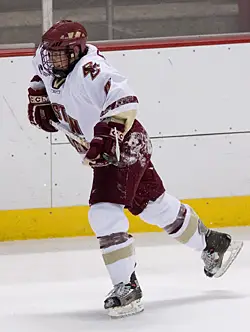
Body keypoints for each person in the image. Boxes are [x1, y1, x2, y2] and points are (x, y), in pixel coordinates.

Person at [27, 20, 243, 318]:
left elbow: (125, 100)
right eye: (50, 55)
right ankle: (213, 242)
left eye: (58, 56)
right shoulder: (49, 59)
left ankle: (126, 287)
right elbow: (40, 70)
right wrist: (38, 91)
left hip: (123, 143)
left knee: (102, 212)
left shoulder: (92, 69)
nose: (51, 61)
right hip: (116, 145)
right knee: (156, 208)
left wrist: (108, 136)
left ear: (76, 52)